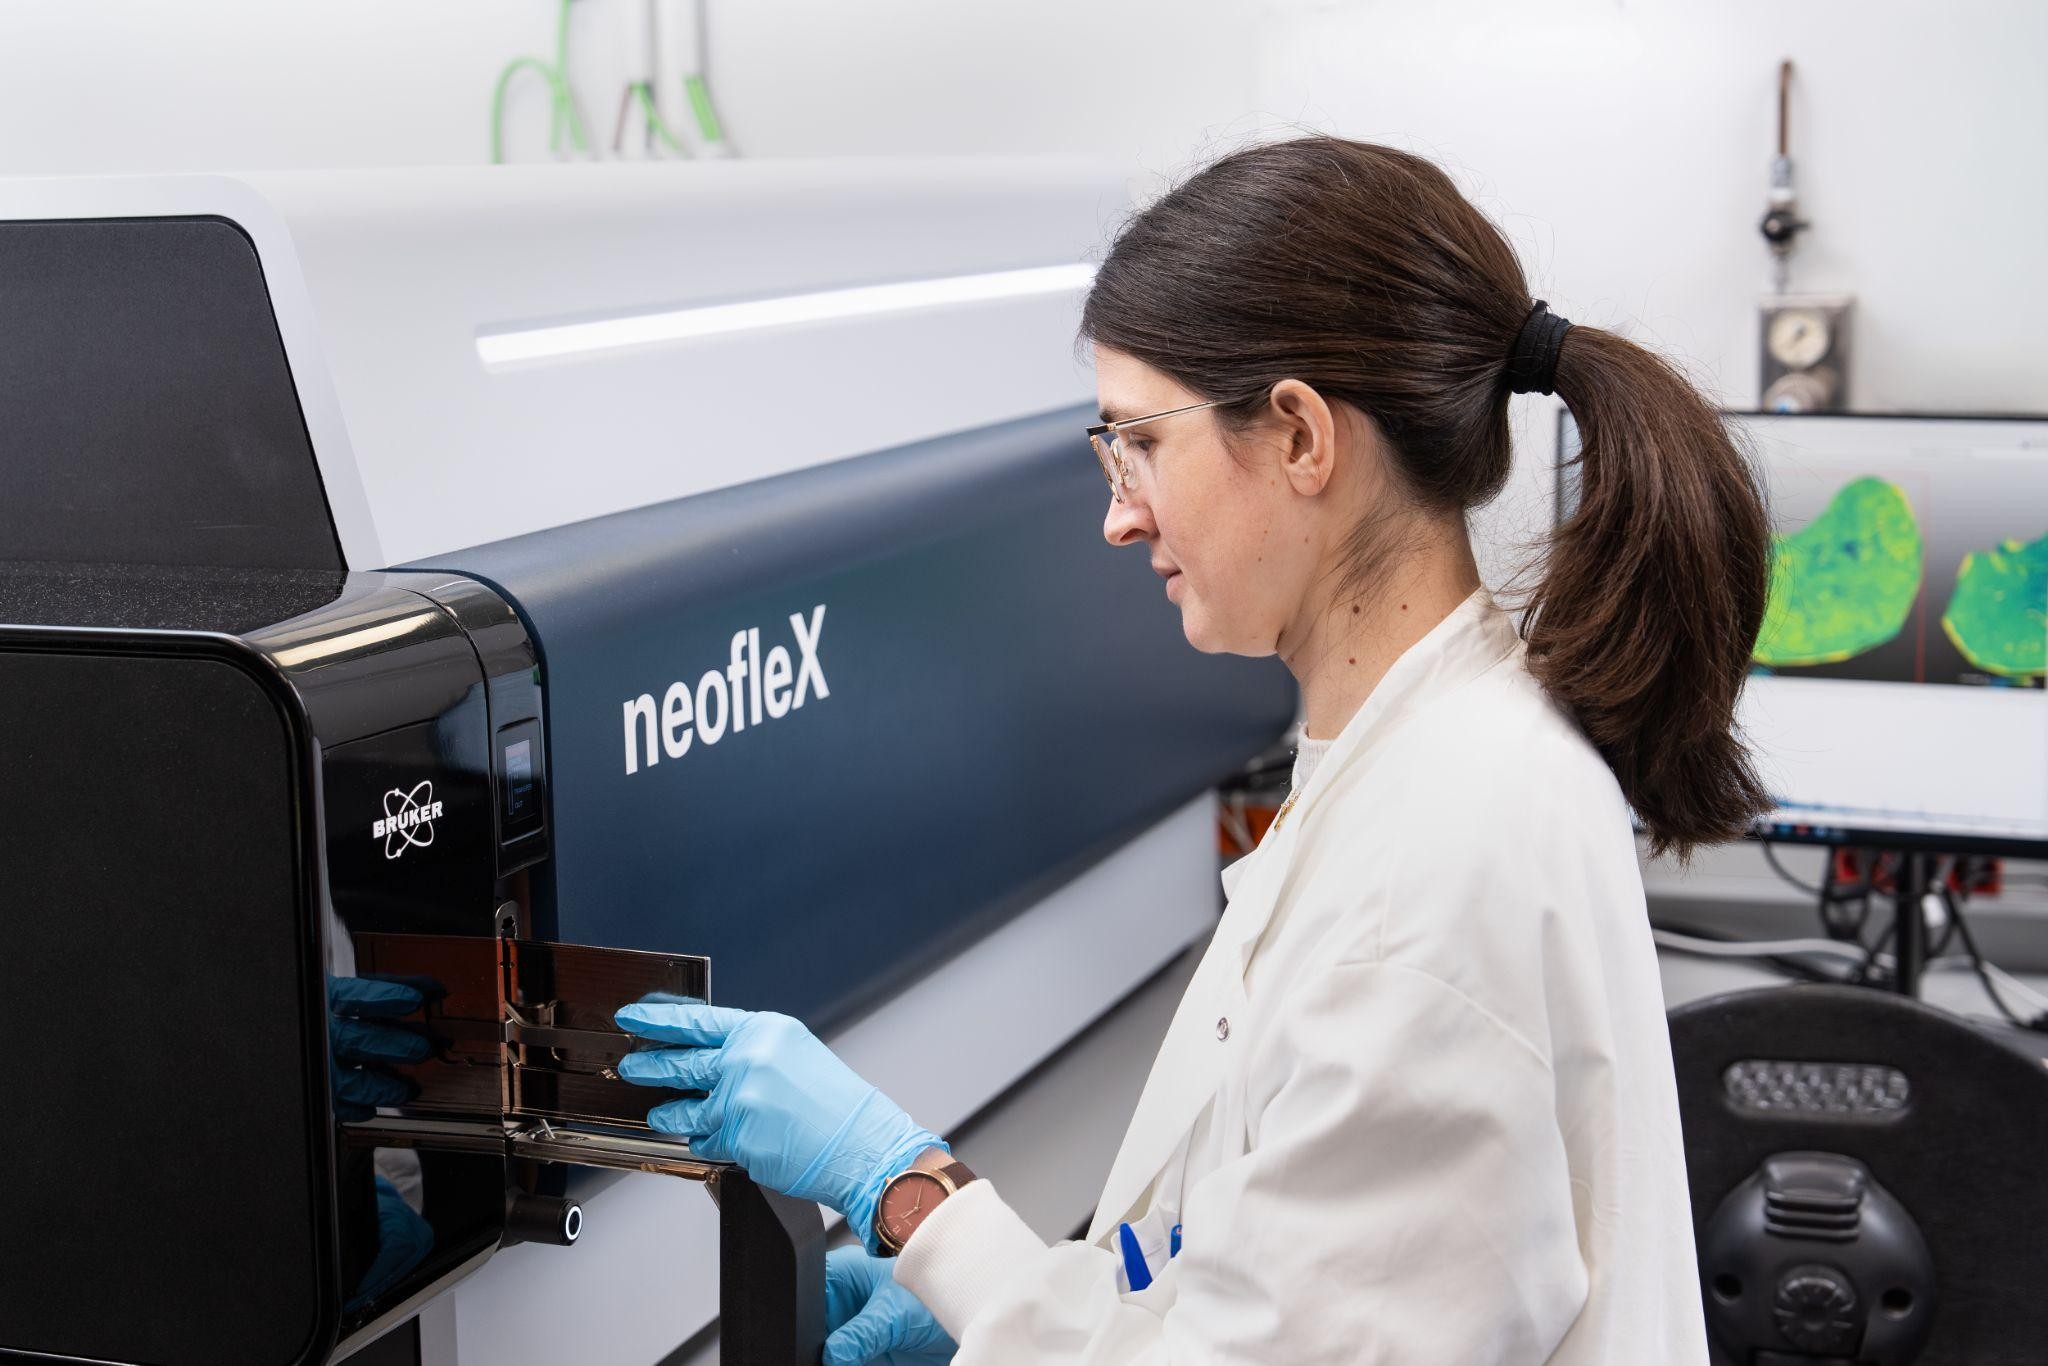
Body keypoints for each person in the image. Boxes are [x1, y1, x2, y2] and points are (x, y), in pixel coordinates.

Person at [614, 136, 1770, 1364]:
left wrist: (909, 1195)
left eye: (1141, 443)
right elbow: (1259, 1263)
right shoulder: (1416, 750)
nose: (1117, 514)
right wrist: (991, 1296)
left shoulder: (1428, 882)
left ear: (1300, 437)